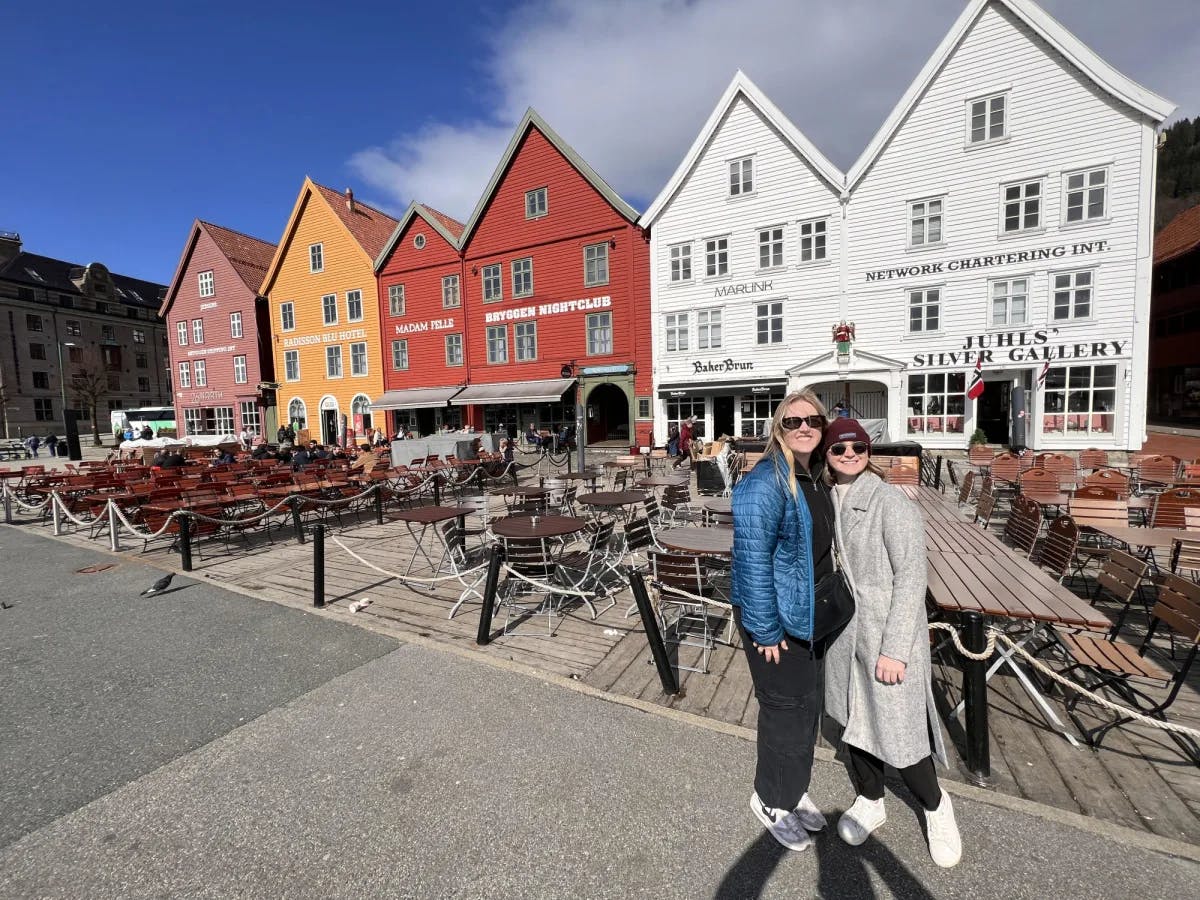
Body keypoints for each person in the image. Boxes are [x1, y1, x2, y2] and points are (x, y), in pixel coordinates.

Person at [821, 419, 961, 868]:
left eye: (856, 447)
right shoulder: (827, 498)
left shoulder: (889, 503)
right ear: (826, 454)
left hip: (885, 632)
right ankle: (870, 798)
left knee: (901, 732)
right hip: (845, 633)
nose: (848, 455)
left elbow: (912, 578)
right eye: (838, 449)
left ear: (868, 451)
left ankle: (937, 806)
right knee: (853, 723)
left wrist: (896, 650)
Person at [730, 390, 833, 852]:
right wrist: (765, 629)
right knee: (784, 713)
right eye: (793, 422)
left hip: (806, 613)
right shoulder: (765, 482)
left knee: (806, 709)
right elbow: (750, 561)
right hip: (774, 617)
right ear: (779, 429)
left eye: (812, 419)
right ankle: (771, 799)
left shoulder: (813, 476)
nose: (804, 427)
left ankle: (793, 788)